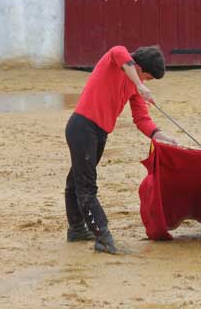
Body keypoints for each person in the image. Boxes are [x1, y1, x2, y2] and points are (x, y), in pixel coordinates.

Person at [64, 45, 177, 254]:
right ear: (140, 68)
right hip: (82, 128)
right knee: (86, 186)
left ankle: (77, 229)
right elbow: (120, 53)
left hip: (99, 134)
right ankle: (103, 236)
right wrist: (139, 84)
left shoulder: (137, 85)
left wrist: (161, 136)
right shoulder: (116, 57)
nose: (146, 82)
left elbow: (142, 118)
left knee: (76, 181)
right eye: (148, 78)